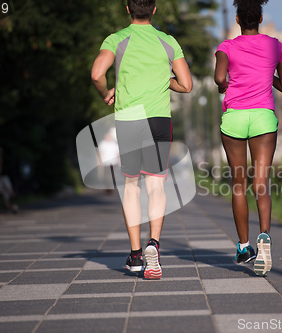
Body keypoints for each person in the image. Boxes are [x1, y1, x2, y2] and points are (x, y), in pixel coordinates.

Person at [91, 0, 192, 279]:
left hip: (129, 120)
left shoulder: (117, 39)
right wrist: (164, 78)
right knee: (157, 186)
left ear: (127, 9)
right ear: (154, 10)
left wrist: (105, 93)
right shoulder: (168, 41)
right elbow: (186, 84)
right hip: (159, 120)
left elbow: (96, 73)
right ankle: (154, 245)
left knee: (131, 186)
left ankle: (136, 255)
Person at [214, 0, 282, 276]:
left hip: (234, 118)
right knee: (261, 183)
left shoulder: (227, 47)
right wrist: (267, 75)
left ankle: (244, 246)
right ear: (260, 17)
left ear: (237, 19)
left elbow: (219, 77)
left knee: (239, 184)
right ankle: (265, 237)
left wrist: (226, 83)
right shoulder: (274, 46)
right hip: (262, 118)